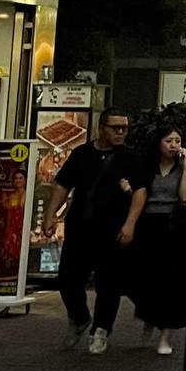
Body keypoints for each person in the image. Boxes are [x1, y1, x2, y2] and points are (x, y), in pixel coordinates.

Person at [42, 109, 137, 355]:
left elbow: (141, 194)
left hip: (113, 230)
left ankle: (101, 330)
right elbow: (63, 185)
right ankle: (79, 317)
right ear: (101, 128)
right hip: (80, 227)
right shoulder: (82, 154)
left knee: (109, 283)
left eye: (124, 128)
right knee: (68, 280)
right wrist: (50, 215)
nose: (120, 132)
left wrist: (129, 224)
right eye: (115, 128)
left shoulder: (130, 158)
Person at [119, 124, 186, 357]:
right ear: (158, 143)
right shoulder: (147, 166)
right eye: (169, 141)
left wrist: (185, 165)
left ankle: (165, 334)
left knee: (171, 282)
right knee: (144, 278)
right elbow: (140, 195)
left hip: (175, 228)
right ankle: (150, 315)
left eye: (177, 141)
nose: (173, 146)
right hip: (148, 226)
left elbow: (185, 196)